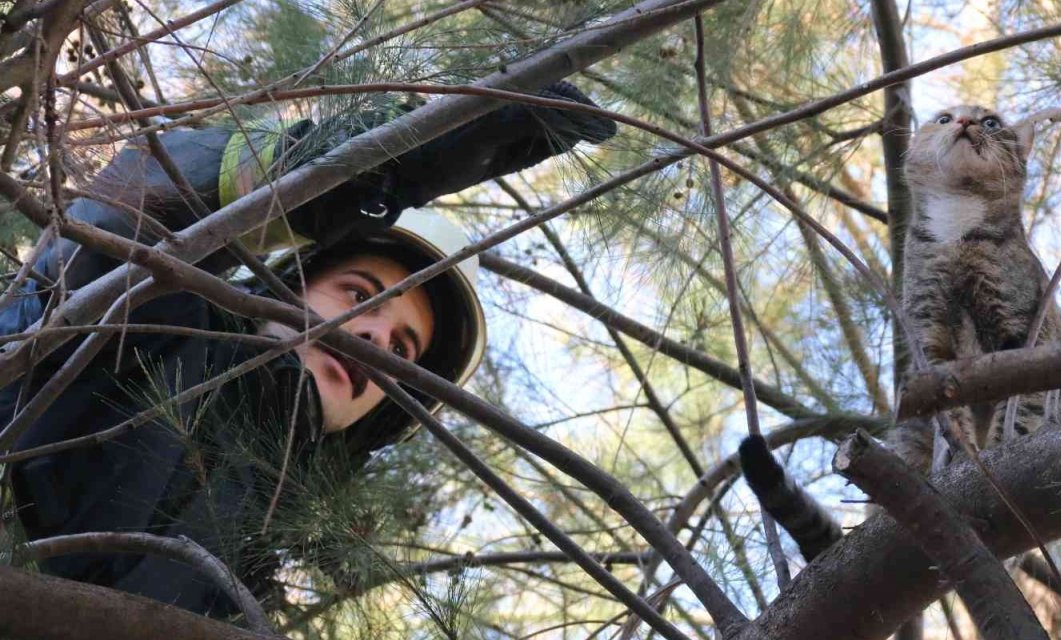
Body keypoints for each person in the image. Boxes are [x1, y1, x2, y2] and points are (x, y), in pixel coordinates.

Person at [0, 81, 615, 617]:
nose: (377, 338)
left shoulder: (253, 568)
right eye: (358, 296)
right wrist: (359, 171)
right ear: (281, 286)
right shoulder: (154, 330)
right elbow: (123, 226)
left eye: (404, 350)